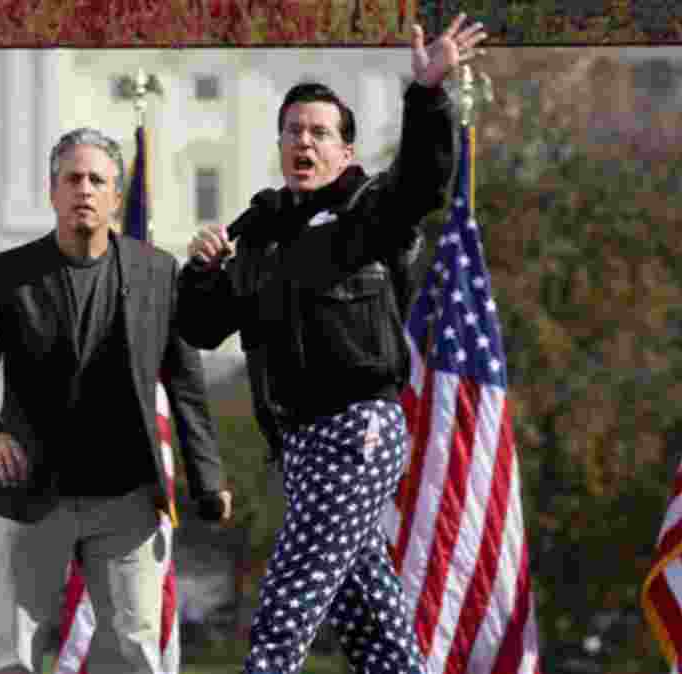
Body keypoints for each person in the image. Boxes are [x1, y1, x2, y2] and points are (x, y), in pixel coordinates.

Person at [176, 14, 487, 674]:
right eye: (293, 131)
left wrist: (426, 95)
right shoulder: (258, 234)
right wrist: (200, 271)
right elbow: (202, 327)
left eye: (319, 133)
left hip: (358, 431)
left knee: (284, 611)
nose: (304, 143)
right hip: (299, 448)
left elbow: (421, 185)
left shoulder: (364, 216)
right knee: (371, 623)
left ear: (345, 153)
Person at [0, 127, 234, 674]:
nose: (84, 189)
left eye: (97, 180)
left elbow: (186, 383)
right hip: (28, 490)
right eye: (72, 178)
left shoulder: (157, 272)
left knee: (135, 648)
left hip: (125, 492)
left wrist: (208, 478)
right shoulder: (8, 274)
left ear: (116, 197)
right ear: (52, 191)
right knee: (5, 652)